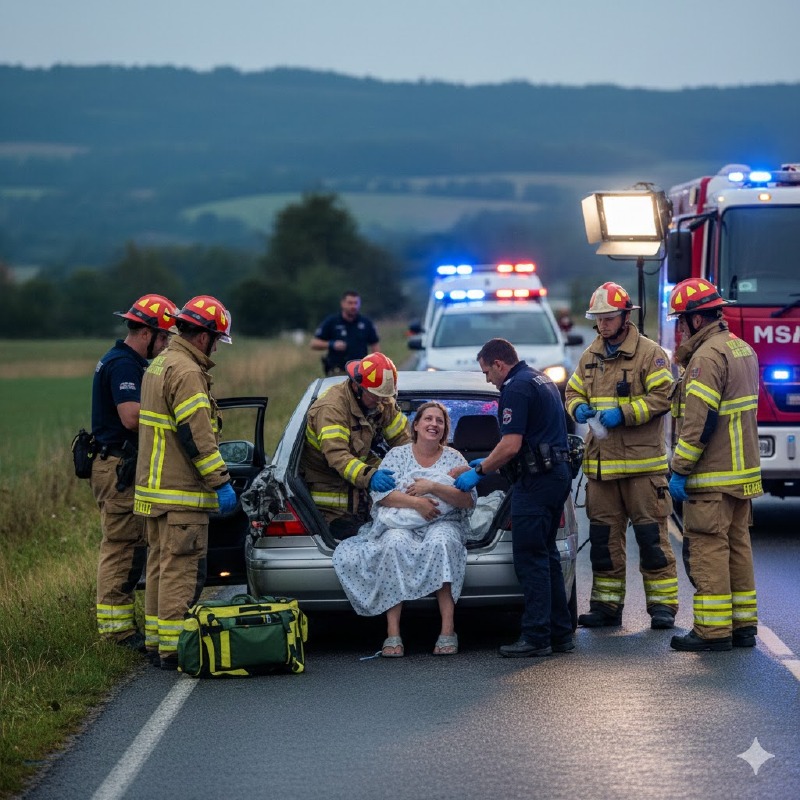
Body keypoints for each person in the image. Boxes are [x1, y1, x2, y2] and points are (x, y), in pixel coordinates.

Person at [565, 282, 678, 630]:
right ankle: (606, 606)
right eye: (598, 319)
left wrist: (625, 413)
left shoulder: (650, 353)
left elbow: (663, 397)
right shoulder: (590, 356)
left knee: (651, 540)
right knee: (603, 543)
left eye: (609, 317)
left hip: (643, 470)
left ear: (625, 316)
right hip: (602, 471)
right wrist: (577, 407)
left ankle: (662, 607)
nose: (602, 324)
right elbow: (571, 391)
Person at [133, 295, 237, 669]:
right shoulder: (188, 371)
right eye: (215, 340)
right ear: (204, 336)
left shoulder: (160, 363)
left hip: (155, 492)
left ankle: (155, 641)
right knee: (180, 571)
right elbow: (197, 435)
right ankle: (176, 649)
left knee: (160, 567)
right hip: (181, 495)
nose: (216, 349)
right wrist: (220, 480)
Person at [455, 338, 574, 657]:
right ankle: (561, 633)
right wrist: (490, 460)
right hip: (556, 475)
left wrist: (478, 473)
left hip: (536, 482)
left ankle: (536, 637)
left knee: (530, 559)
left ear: (499, 364)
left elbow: (510, 445)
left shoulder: (515, 387)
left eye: (486, 372)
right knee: (546, 556)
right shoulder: (540, 378)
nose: (487, 380)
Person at [333, 402, 476, 657]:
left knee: (442, 543)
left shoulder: (455, 458)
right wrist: (417, 503)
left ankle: (447, 631)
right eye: (428, 419)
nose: (434, 424)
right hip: (401, 521)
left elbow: (467, 501)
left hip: (444, 522)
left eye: (440, 421)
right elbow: (382, 495)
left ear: (444, 429)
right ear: (417, 425)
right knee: (394, 542)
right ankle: (393, 634)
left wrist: (432, 486)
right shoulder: (397, 455)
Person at [666, 278, 762, 652]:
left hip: (711, 476)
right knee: (738, 547)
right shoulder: (742, 349)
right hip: (743, 476)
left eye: (680, 320)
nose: (678, 328)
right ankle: (743, 627)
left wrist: (679, 469)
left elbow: (699, 422)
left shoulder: (706, 358)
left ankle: (712, 631)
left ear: (694, 320)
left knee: (708, 549)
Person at [90, 294, 177, 652]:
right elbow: (130, 417)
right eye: (165, 337)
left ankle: (123, 625)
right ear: (147, 333)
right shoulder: (125, 365)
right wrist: (172, 421)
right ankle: (117, 632)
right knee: (122, 546)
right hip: (118, 468)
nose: (168, 343)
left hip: (122, 465)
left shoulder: (127, 361)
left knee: (132, 545)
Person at [301, 352, 411, 540]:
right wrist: (371, 476)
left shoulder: (380, 399)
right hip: (332, 500)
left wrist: (418, 464)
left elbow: (403, 439)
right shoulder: (331, 409)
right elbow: (338, 456)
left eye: (385, 397)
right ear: (357, 386)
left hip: (362, 494)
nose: (380, 402)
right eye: (376, 396)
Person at [310, 290, 380, 376]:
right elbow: (314, 343)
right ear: (343, 304)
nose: (353, 306)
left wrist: (376, 366)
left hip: (360, 373)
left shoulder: (366, 323)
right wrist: (332, 344)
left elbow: (375, 345)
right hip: (337, 372)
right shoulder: (332, 322)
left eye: (356, 303)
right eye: (350, 303)